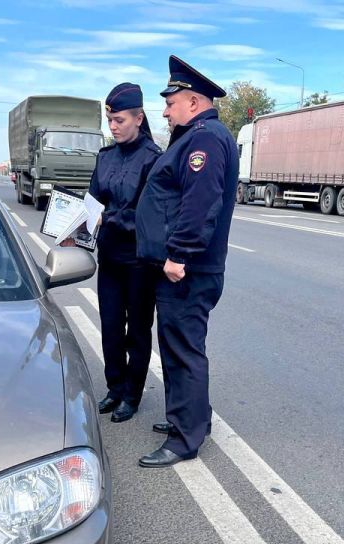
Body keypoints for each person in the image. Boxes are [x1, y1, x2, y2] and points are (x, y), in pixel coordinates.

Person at [134, 56, 239, 468]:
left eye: (170, 102)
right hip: (183, 267)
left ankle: (185, 440)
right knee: (177, 346)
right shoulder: (195, 135)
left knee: (183, 351)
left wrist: (178, 255)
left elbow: (200, 204)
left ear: (193, 102)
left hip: (188, 269)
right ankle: (190, 418)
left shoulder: (205, 139)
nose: (164, 110)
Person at [88, 83, 163, 423]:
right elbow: (93, 203)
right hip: (110, 258)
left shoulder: (153, 159)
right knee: (110, 326)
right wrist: (76, 225)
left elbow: (150, 216)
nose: (113, 126)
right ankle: (114, 387)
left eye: (118, 120)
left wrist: (111, 217)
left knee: (137, 331)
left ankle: (132, 395)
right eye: (109, 120)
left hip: (139, 261)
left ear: (138, 118)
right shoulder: (105, 157)